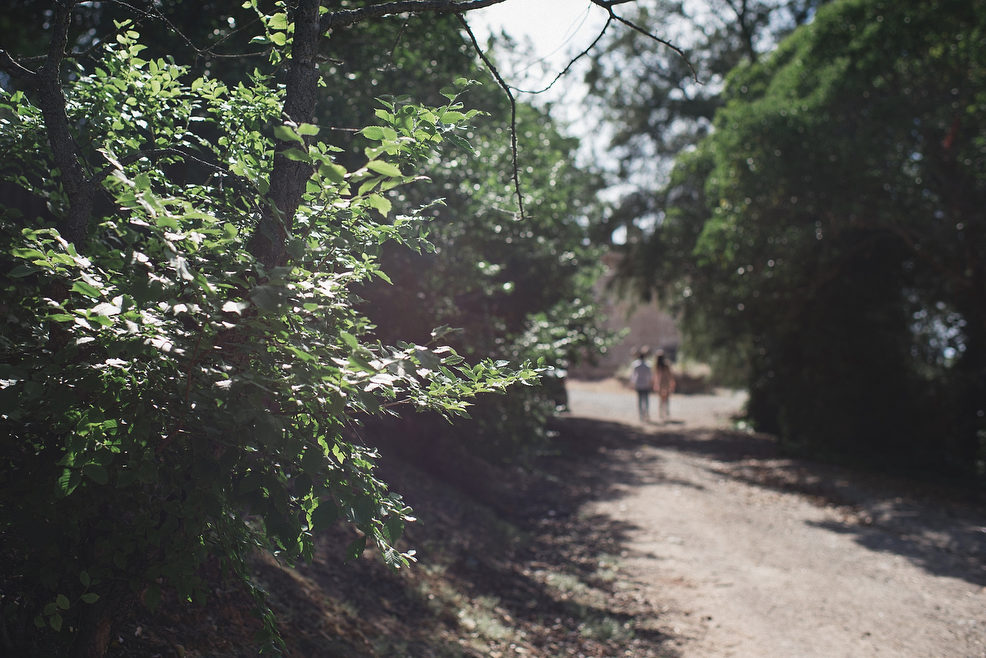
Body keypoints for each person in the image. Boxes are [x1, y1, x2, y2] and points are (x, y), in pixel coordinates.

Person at [630, 348, 654, 421]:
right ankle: (646, 414)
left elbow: (633, 376)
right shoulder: (648, 365)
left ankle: (641, 415)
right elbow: (650, 376)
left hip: (639, 384)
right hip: (646, 384)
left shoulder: (635, 365)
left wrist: (632, 383)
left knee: (640, 400)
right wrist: (650, 383)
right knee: (646, 400)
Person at [654, 351, 676, 422]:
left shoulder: (657, 365)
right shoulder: (666, 364)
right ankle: (666, 412)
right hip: (666, 383)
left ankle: (661, 414)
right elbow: (670, 375)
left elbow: (656, 376)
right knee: (666, 399)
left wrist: (656, 384)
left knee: (661, 400)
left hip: (661, 383)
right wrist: (672, 382)